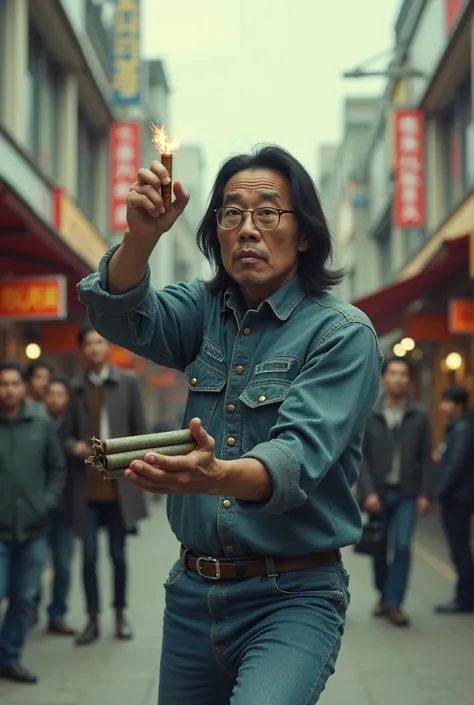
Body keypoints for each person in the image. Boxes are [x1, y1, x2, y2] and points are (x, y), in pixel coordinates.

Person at [77, 145, 382, 704]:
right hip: (193, 595)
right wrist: (141, 237)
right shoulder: (202, 309)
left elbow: (294, 459)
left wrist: (215, 475)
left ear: (306, 233)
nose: (247, 229)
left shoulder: (342, 333)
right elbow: (116, 315)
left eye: (268, 212)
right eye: (232, 213)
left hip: (292, 596)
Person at [62, 325, 148, 646]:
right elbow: (66, 435)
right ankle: (93, 619)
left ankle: (120, 614)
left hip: (119, 488)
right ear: (83, 350)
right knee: (87, 558)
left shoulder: (129, 383)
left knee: (118, 555)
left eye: (100, 342)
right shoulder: (75, 388)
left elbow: (142, 433)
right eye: (89, 344)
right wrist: (75, 447)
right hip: (86, 489)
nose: (95, 348)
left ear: (108, 347)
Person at [0, 360, 65, 684]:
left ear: (23, 387)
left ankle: (9, 657)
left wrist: (47, 503)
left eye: (14, 383)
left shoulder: (40, 422)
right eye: (3, 384)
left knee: (24, 598)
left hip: (34, 528)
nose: (8, 390)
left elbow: (57, 468)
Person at [358, 357, 433, 627]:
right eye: (393, 373)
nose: (398, 378)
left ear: (409, 379)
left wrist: (426, 493)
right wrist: (367, 492)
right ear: (384, 378)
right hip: (378, 493)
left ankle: (394, 603)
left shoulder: (420, 414)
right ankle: (383, 594)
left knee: (401, 546)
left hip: (407, 494)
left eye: (403, 374)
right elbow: (361, 456)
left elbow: (426, 457)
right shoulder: (370, 412)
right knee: (379, 548)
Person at [32, 375, 75, 635]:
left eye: (60, 394)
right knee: (35, 563)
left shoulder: (73, 424)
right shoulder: (36, 422)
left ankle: (57, 614)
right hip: (38, 506)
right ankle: (30, 610)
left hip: (66, 506)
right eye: (51, 394)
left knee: (63, 564)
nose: (55, 399)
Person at [434, 386, 474, 614]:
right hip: (460, 496)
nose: (442, 407)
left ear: (458, 405)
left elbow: (456, 464)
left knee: (460, 548)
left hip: (458, 498)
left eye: (447, 402)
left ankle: (464, 598)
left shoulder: (463, 428)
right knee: (462, 547)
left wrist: (439, 491)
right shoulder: (460, 427)